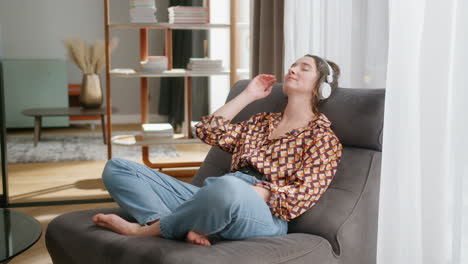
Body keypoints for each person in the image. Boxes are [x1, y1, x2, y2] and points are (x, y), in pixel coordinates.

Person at [92, 54, 343, 247]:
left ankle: (141, 231)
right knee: (118, 168)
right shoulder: (261, 121)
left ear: (321, 86)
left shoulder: (323, 138)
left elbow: (303, 194)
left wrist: (251, 190)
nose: (292, 69)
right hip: (215, 197)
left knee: (226, 188)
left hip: (264, 212)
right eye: (294, 64)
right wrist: (248, 95)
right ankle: (177, 222)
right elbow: (207, 130)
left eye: (304, 68)